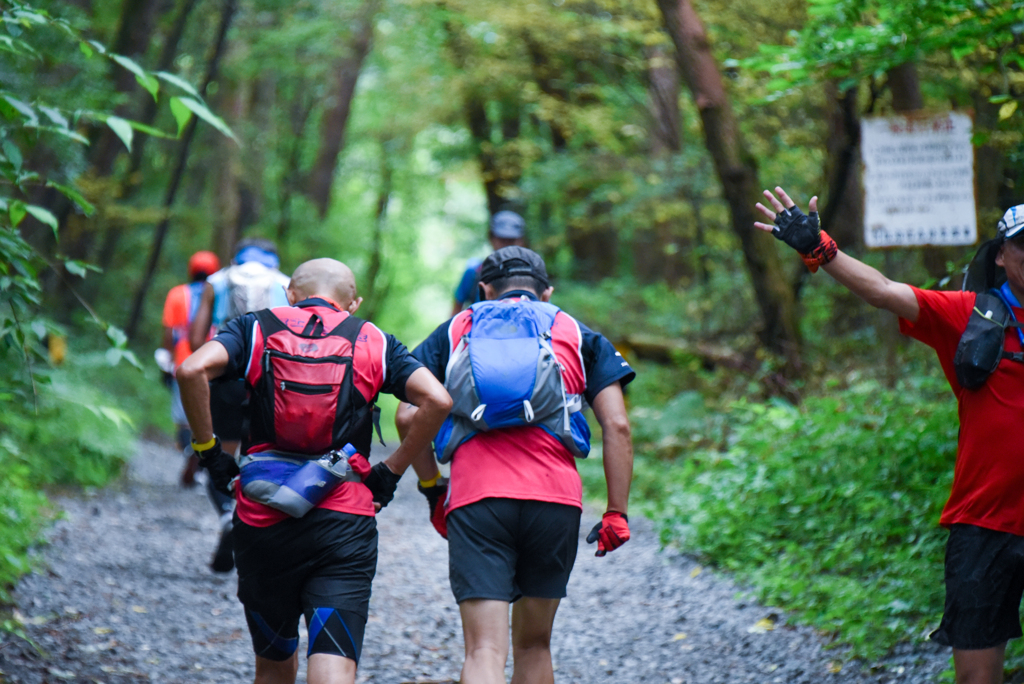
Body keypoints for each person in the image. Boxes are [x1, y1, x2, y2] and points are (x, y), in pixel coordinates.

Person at [755, 186, 1024, 684]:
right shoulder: (970, 314)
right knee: (977, 675)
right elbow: (883, 290)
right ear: (1003, 256)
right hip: (984, 522)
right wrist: (821, 248)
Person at [176, 258, 451, 684]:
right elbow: (438, 401)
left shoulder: (255, 328)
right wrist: (391, 473)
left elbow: (190, 368)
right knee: (334, 663)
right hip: (344, 522)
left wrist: (210, 453)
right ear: (353, 303)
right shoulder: (373, 340)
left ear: (291, 294)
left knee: (272, 666)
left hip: (262, 518)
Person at [397, 246, 635, 684]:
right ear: (546, 292)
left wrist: (433, 487)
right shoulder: (575, 332)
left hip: (476, 498)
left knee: (484, 650)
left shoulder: (455, 329)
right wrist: (616, 512)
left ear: (484, 289)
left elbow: (407, 415)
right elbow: (616, 425)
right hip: (555, 501)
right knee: (534, 645)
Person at [188, 237, 291, 572]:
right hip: (273, 379)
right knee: (265, 456)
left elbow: (195, 337)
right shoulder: (286, 284)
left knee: (220, 455)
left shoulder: (217, 281)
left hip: (228, 378)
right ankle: (260, 532)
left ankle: (226, 514)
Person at [157, 250, 220, 486]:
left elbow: (169, 331)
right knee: (206, 412)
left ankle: (188, 453)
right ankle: (197, 458)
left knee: (184, 415)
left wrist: (165, 362)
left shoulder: (177, 293)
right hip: (212, 361)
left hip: (182, 362)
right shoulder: (217, 294)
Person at [451, 210, 527, 316]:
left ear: (521, 241)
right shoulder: (474, 273)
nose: (506, 246)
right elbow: (455, 312)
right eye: (501, 240)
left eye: (511, 240)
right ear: (491, 238)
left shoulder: (532, 277)